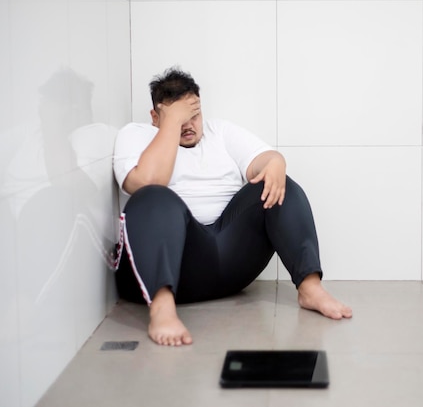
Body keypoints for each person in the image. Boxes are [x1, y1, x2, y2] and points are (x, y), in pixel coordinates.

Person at [112, 67, 352, 346]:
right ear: (155, 117)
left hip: (230, 257)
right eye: (180, 118)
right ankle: (163, 309)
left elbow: (265, 159)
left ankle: (310, 288)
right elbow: (147, 181)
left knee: (276, 183)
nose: (188, 125)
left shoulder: (221, 132)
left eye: (194, 116)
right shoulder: (136, 135)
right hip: (176, 261)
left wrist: (276, 163)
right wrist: (170, 124)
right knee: (153, 196)